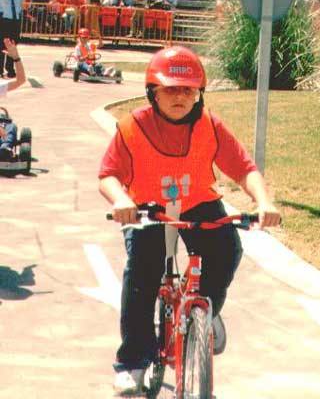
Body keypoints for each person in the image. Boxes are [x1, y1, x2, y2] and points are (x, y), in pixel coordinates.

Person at [98, 46, 280, 395]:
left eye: (188, 89)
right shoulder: (133, 126)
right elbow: (108, 175)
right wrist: (121, 200)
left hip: (198, 201)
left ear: (199, 93)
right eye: (170, 89)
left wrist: (264, 201)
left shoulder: (209, 125)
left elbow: (244, 168)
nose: (179, 97)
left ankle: (205, 311)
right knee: (143, 275)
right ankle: (133, 361)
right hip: (147, 207)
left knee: (227, 250)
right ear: (152, 92)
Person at [0, 0, 23, 79]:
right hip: (4, 22)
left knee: (12, 46)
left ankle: (10, 69)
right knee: (2, 46)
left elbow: (19, 10)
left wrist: (18, 22)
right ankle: (0, 70)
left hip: (15, 22)